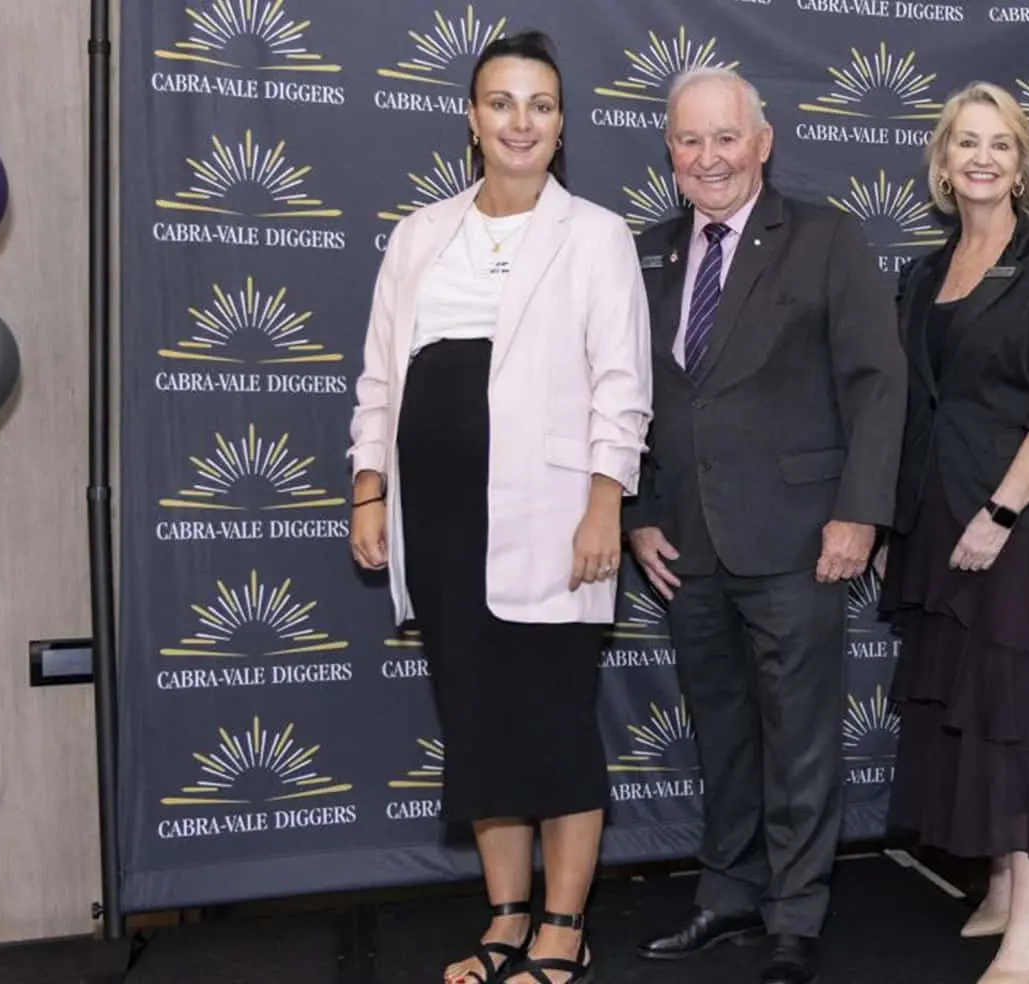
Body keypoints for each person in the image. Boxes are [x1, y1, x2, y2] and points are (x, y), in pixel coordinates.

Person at [346, 31, 652, 984]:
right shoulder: (418, 235)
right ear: (471, 119)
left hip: (554, 517)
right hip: (437, 519)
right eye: (502, 102)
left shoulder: (596, 233)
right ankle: (506, 918)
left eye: (542, 105)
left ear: (561, 127)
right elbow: (379, 380)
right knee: (476, 721)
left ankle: (566, 925)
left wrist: (606, 503)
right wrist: (369, 489)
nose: (521, 121)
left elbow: (623, 385)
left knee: (552, 720)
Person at [623, 67, 906, 984]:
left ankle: (797, 912)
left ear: (763, 140)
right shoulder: (643, 251)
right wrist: (632, 514)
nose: (709, 157)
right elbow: (618, 397)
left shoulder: (826, 237)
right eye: (690, 140)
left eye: (726, 137)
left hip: (799, 537)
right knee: (723, 730)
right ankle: (727, 896)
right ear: (669, 151)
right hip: (685, 544)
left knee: (801, 736)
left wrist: (859, 513)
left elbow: (876, 383)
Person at [879, 82, 1029, 984]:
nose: (981, 157)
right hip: (942, 518)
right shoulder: (923, 274)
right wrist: (907, 521)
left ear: (1021, 162)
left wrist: (1003, 511)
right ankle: (1010, 884)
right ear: (941, 163)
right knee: (968, 707)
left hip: (1023, 517)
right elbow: (915, 409)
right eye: (965, 143)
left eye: (1000, 144)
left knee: (1020, 714)